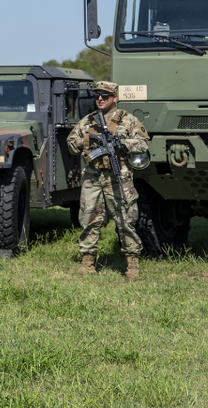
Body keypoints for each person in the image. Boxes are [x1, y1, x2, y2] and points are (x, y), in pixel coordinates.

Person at [66, 81, 150, 279]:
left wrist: (123, 143)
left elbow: (144, 145)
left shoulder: (128, 120)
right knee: (88, 218)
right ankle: (87, 261)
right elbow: (71, 143)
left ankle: (132, 264)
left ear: (114, 97)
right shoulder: (87, 121)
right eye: (97, 95)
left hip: (118, 175)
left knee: (126, 218)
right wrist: (83, 142)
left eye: (105, 95)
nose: (100, 99)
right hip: (92, 177)